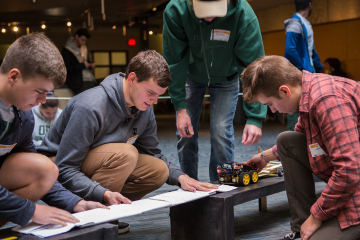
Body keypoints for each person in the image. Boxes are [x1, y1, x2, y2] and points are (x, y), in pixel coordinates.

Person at [37, 50, 218, 231]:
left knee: (159, 170)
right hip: (54, 169)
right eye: (150, 93)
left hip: (96, 164)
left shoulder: (144, 109)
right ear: (132, 78)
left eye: (159, 95)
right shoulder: (91, 106)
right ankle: (90, 218)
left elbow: (154, 154)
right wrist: (103, 192)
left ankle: (106, 211)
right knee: (126, 154)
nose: (155, 101)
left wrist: (181, 177)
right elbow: (65, 168)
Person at [242, 55, 360, 240]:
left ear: (284, 91)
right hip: (352, 178)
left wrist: (316, 217)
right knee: (286, 141)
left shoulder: (327, 100)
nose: (272, 110)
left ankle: (311, 227)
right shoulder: (310, 90)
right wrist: (264, 158)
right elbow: (301, 137)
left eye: (270, 104)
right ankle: (301, 230)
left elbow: (349, 171)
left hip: (355, 184)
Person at [0, 33, 105, 228]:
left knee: (46, 169)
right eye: (39, 91)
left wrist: (75, 203)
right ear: (14, 76)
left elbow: (34, 167)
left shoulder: (24, 116)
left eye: (47, 93)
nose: (42, 101)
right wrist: (31, 210)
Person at [162, 0, 267, 182]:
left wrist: (255, 117)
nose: (209, 17)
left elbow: (253, 67)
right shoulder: (176, 11)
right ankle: (188, 186)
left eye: (215, 10)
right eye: (203, 10)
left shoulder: (243, 14)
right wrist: (180, 108)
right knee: (185, 132)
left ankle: (221, 189)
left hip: (227, 76)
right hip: (191, 74)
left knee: (220, 131)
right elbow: (174, 61)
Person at [284, 0, 323, 131]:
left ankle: (305, 138)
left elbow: (311, 51)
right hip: (300, 73)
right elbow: (290, 50)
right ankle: (292, 140)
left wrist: (319, 68)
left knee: (306, 106)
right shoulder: (295, 23)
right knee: (296, 106)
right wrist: (304, 69)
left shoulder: (304, 23)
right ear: (310, 5)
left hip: (308, 72)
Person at [62, 28, 97, 95]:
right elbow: (66, 69)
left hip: (90, 79)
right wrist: (82, 65)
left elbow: (86, 62)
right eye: (82, 40)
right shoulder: (67, 50)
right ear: (77, 36)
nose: (84, 42)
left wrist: (90, 65)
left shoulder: (84, 48)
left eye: (85, 41)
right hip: (78, 83)